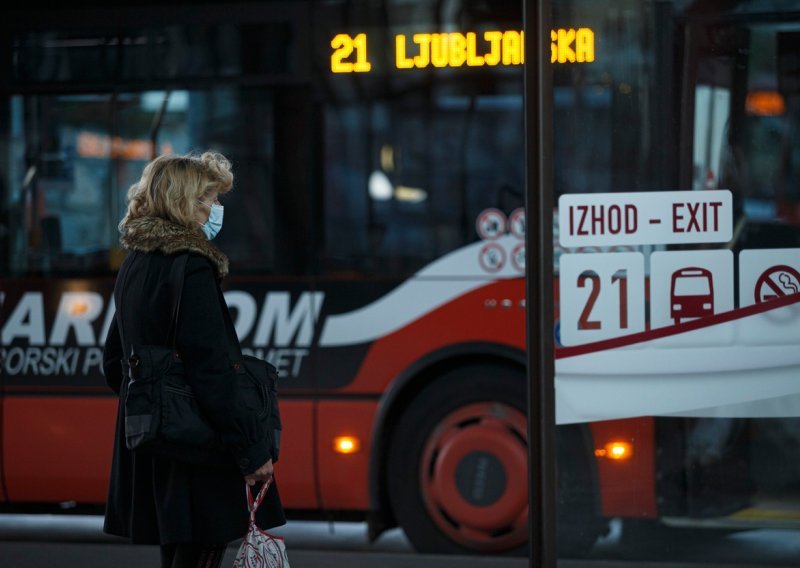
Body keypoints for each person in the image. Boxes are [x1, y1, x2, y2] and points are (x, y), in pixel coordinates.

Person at [102, 152, 285, 568]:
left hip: (159, 447)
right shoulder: (192, 268)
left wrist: (157, 407)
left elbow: (115, 362)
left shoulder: (135, 263)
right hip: (199, 447)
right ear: (184, 201)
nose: (215, 209)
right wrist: (251, 450)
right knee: (201, 552)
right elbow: (213, 371)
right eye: (208, 199)